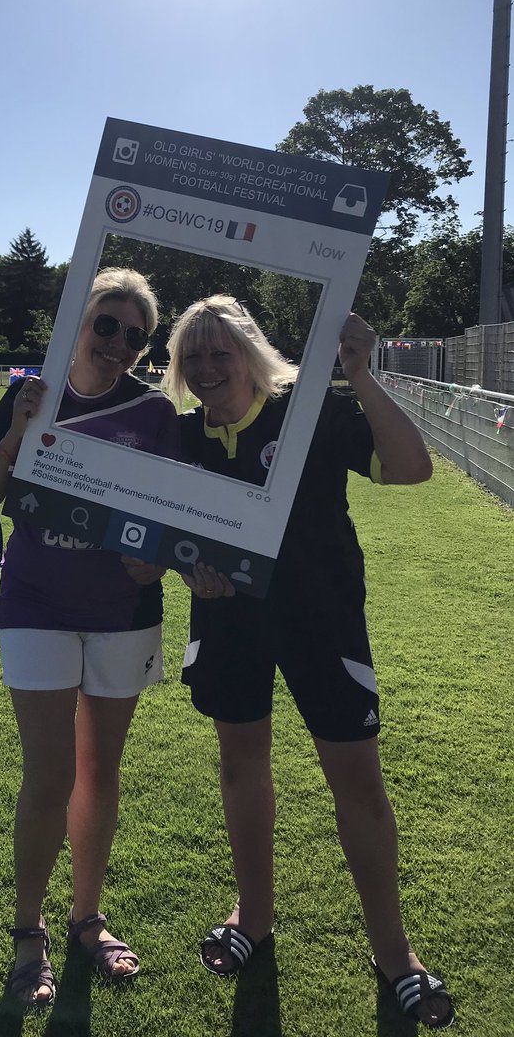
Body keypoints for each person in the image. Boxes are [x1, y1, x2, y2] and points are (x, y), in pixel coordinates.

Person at [160, 294, 455, 1031]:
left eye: (218, 352)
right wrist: (185, 568)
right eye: (190, 356)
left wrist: (364, 376)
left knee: (358, 783)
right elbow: (165, 536)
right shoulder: (183, 437)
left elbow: (413, 468)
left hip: (323, 622)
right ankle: (252, 917)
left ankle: (395, 953)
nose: (205, 368)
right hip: (229, 626)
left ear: (251, 355)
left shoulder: (311, 413)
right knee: (239, 766)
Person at [0, 268, 178, 1008]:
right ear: (79, 322)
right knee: (49, 775)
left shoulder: (154, 410)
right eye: (106, 324)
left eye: (134, 333)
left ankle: (88, 917)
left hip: (122, 613)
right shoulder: (31, 391)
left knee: (101, 772)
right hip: (35, 602)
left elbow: (171, 513)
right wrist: (21, 430)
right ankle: (30, 931)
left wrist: (154, 559)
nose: (118, 342)